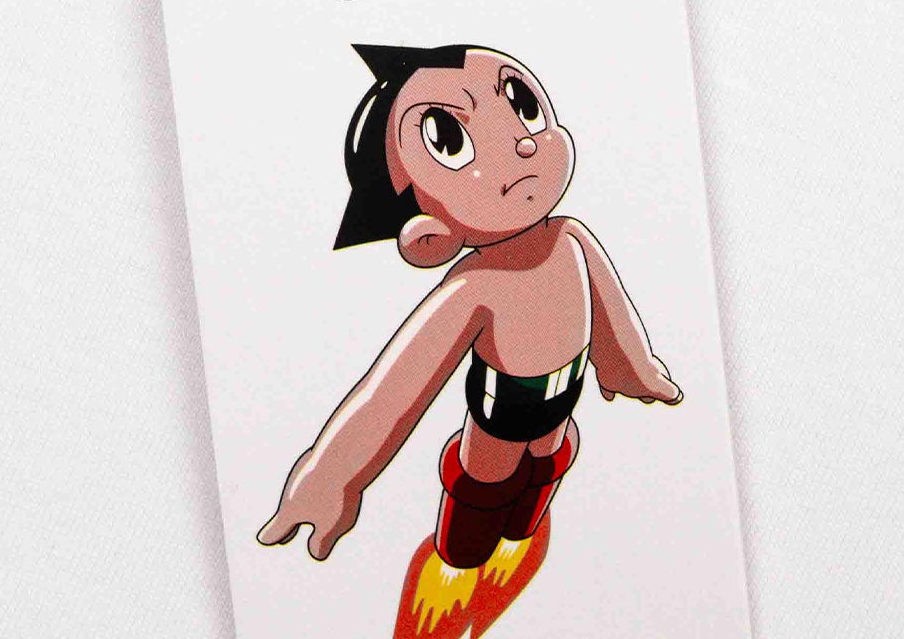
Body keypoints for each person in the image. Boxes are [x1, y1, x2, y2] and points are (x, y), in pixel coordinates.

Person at [258, 44, 681, 570]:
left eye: (523, 105)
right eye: (451, 140)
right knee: (488, 479)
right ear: (426, 234)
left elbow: (610, 310)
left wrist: (631, 368)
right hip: (500, 410)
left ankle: (521, 529)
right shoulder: (474, 288)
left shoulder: (571, 238)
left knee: (550, 454)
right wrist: (332, 474)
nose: (521, 143)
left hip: (563, 396)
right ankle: (464, 551)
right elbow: (396, 389)